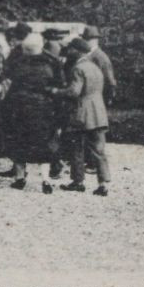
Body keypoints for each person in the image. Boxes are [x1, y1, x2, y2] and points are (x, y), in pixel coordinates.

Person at [0, 32, 60, 193]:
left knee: (19, 142)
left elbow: (7, 81)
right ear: (41, 47)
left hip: (20, 107)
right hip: (43, 107)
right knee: (44, 143)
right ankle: (45, 179)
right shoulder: (51, 63)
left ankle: (20, 178)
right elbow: (59, 84)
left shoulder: (18, 63)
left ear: (25, 48)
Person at [56, 36, 111, 195]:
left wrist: (58, 92)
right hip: (98, 113)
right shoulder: (95, 67)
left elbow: (74, 92)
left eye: (71, 49)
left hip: (81, 114)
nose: (69, 52)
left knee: (76, 148)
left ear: (77, 51)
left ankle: (77, 181)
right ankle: (103, 184)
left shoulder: (78, 68)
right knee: (98, 150)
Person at [83, 25, 117, 108]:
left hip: (98, 95)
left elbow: (109, 79)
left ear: (96, 40)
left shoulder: (101, 57)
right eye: (86, 39)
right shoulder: (87, 54)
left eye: (89, 39)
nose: (87, 41)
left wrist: (109, 97)